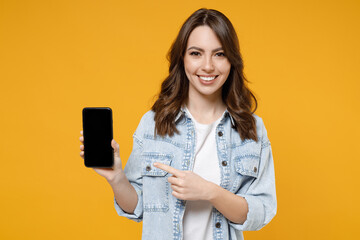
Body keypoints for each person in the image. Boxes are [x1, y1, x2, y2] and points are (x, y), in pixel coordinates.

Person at [79, 8, 276, 240]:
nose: (208, 66)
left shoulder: (251, 129)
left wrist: (210, 192)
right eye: (196, 53)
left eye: (219, 54)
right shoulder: (153, 123)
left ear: (232, 60)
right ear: (182, 58)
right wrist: (117, 178)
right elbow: (137, 208)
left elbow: (261, 211)